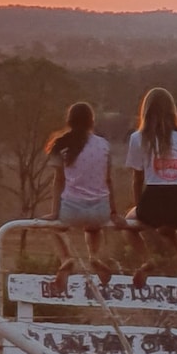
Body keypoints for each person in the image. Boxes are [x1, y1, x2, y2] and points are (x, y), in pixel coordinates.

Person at [123, 87, 177, 290]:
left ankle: (146, 260)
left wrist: (139, 205)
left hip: (153, 200)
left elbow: (137, 178)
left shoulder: (139, 138)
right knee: (168, 226)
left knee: (129, 224)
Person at [43, 101, 123, 292]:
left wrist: (55, 213)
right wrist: (113, 212)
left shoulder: (62, 146)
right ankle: (94, 257)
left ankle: (66, 259)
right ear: (91, 121)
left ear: (69, 120)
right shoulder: (104, 145)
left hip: (72, 210)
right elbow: (108, 180)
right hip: (100, 211)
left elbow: (59, 181)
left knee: (53, 227)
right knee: (94, 229)